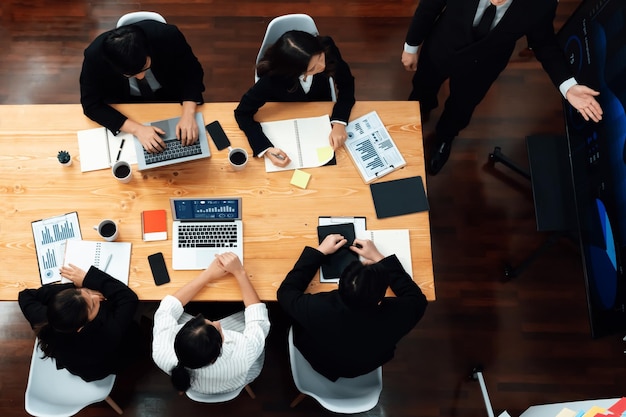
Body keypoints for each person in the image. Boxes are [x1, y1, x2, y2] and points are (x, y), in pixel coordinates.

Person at [401, 0, 604, 175]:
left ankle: (444, 138)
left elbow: (544, 44)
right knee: (423, 87)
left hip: (484, 65)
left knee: (461, 107)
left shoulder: (542, 4)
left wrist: (567, 85)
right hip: (441, 50)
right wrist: (411, 47)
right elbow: (429, 7)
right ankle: (422, 108)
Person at [277, 234, 427, 381]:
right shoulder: (397, 316)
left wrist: (320, 252)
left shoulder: (317, 308)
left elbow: (285, 292)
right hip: (360, 367)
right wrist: (380, 258)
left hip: (321, 361)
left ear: (339, 285)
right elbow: (417, 299)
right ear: (380, 298)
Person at [152, 252, 270, 394]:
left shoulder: (161, 350)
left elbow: (167, 309)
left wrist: (208, 274)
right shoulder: (244, 354)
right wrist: (239, 272)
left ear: (178, 335)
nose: (218, 323)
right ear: (214, 359)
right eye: (218, 330)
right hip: (236, 376)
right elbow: (258, 320)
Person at [234, 30, 355, 168]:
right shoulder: (272, 79)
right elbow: (242, 113)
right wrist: (265, 148)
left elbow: (347, 84)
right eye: (312, 68)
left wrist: (339, 122)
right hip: (287, 114)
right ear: (294, 71)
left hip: (321, 108)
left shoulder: (326, 47)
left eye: (321, 58)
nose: (323, 66)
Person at [80, 20, 205, 153]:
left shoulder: (167, 36)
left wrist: (188, 114)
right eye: (131, 75)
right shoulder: (95, 56)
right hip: (127, 100)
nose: (140, 77)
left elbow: (192, 72)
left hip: (170, 93)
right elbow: (90, 104)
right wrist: (137, 129)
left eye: (145, 68)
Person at [18, 264, 139, 382]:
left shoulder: (44, 318)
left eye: (84, 293)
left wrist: (76, 291)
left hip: (78, 364)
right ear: (81, 327)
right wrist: (88, 280)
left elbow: (24, 296)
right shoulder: (107, 334)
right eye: (92, 306)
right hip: (105, 364)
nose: (96, 298)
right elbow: (129, 298)